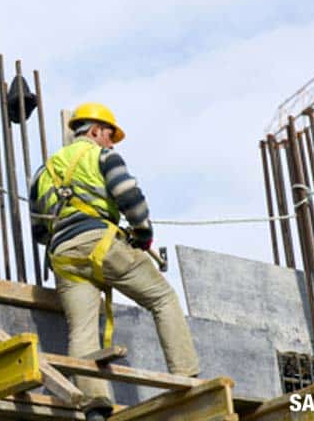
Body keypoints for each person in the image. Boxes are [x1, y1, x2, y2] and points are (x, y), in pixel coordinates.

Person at [29, 102, 200, 419]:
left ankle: (95, 408)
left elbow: (39, 231)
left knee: (81, 330)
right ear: (94, 131)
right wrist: (142, 232)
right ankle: (187, 378)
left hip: (63, 256)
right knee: (162, 298)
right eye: (109, 135)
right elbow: (129, 195)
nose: (111, 142)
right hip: (102, 243)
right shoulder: (102, 156)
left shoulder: (43, 172)